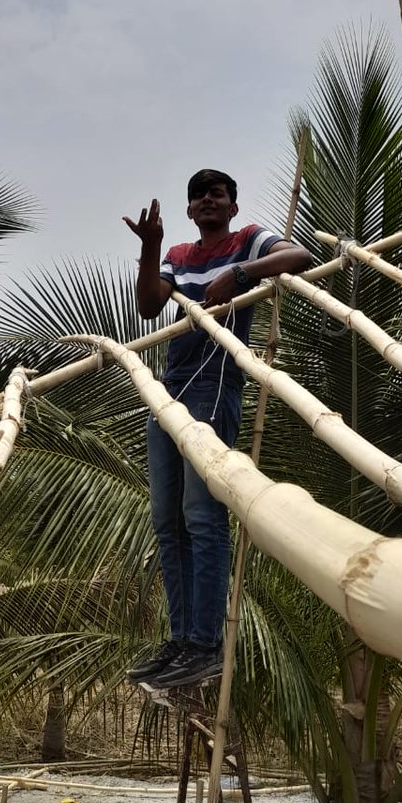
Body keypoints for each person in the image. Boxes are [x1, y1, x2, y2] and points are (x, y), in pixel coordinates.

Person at [122, 168, 312, 687]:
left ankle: (205, 644)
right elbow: (148, 305)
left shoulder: (249, 241)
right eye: (198, 196)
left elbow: (299, 258)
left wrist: (244, 275)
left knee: (201, 515)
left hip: (213, 387)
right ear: (188, 211)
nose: (207, 200)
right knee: (168, 521)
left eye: (217, 194)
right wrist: (151, 247)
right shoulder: (179, 256)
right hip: (170, 389)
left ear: (231, 205)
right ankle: (183, 640)